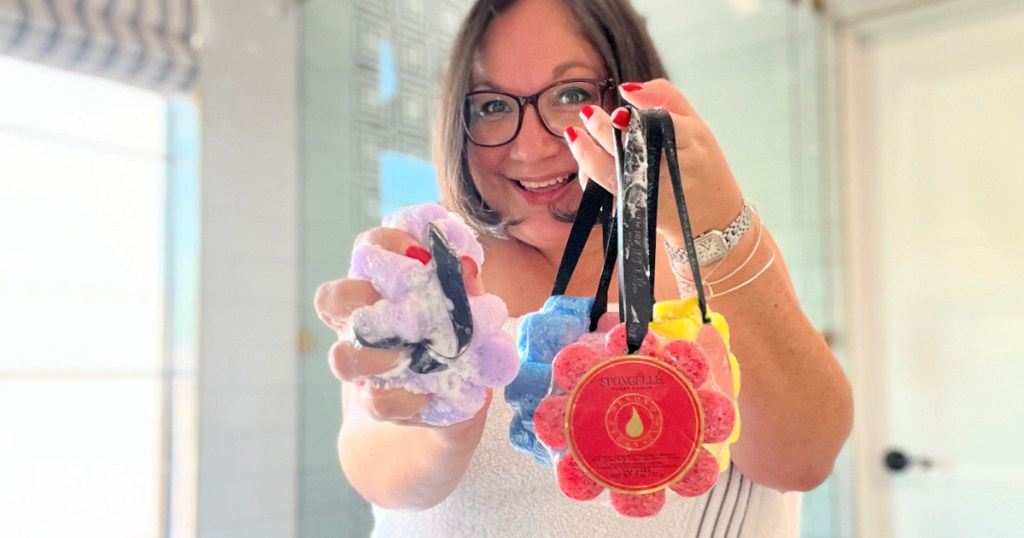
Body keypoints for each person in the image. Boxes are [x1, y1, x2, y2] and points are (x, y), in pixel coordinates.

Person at [314, 0, 853, 535]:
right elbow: (372, 466)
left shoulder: (711, 251)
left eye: (571, 95)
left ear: (629, 96)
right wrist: (442, 423)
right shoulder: (433, 271)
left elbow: (802, 459)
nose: (529, 148)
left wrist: (717, 223)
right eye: (492, 106)